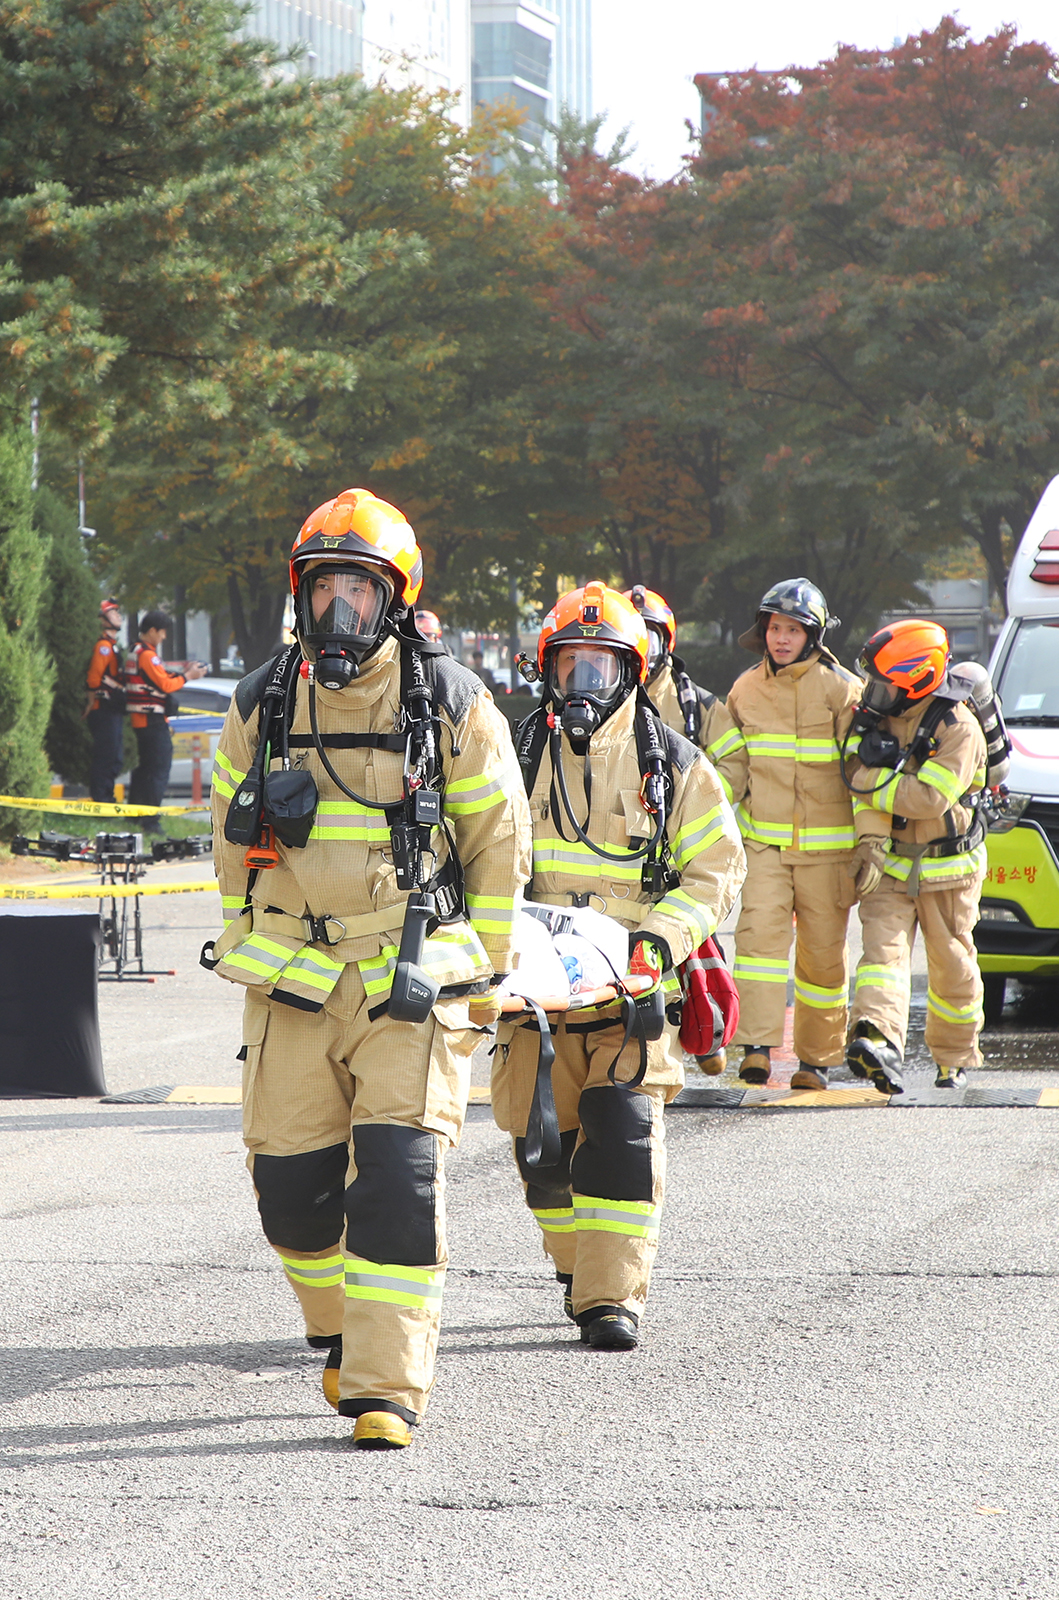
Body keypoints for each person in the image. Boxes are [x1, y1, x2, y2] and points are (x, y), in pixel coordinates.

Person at [207, 487, 523, 1450]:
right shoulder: (261, 703)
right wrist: (247, 947)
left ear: (393, 599)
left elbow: (499, 849)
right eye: (323, 588)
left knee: (397, 1181)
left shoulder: (452, 705)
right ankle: (342, 1327)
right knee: (290, 1197)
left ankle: (387, 1387)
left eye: (358, 589)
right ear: (299, 594)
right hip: (295, 984)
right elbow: (229, 844)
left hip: (406, 983)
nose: (337, 609)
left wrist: (483, 979)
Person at [496, 583, 743, 1348]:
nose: (584, 683)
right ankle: (577, 1270)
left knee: (623, 1142)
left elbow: (715, 872)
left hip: (629, 996)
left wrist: (657, 944)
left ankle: (611, 1300)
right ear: (547, 670)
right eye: (570, 666)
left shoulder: (674, 765)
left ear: (632, 671)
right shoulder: (512, 754)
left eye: (601, 666)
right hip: (534, 1002)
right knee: (544, 1158)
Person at [698, 578, 861, 1091]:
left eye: (793, 629)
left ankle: (816, 1060)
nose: (782, 639)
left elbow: (863, 775)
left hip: (829, 854)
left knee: (822, 957)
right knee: (758, 947)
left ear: (813, 635)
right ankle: (756, 1049)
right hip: (763, 847)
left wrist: (872, 843)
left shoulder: (842, 690)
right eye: (774, 629)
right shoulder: (745, 689)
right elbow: (734, 769)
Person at [843, 619, 988, 1092]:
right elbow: (850, 764)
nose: (873, 692)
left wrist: (868, 782)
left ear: (917, 681)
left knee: (951, 965)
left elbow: (929, 799)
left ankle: (954, 1059)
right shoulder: (878, 716)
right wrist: (871, 838)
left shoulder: (959, 728)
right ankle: (878, 1042)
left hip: (949, 869)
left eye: (883, 685)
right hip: (890, 864)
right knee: (881, 957)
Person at [125, 609, 204, 810]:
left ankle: (135, 813)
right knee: (157, 770)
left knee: (144, 770)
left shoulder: (135, 650)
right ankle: (150, 818)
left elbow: (159, 678)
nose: (164, 637)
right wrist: (189, 676)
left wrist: (184, 672)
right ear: (152, 630)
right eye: (162, 632)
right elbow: (165, 685)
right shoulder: (147, 655)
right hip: (152, 721)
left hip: (142, 719)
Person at [627, 585, 716, 746]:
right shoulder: (599, 702)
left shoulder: (700, 705)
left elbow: (733, 759)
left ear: (666, 644)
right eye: (634, 641)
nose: (642, 655)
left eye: (650, 643)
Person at [84, 598, 131, 804]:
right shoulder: (104, 646)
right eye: (113, 613)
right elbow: (94, 679)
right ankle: (101, 799)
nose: (118, 616)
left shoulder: (112, 646)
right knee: (106, 756)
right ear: (103, 619)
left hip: (112, 709)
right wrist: (90, 704)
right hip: (103, 708)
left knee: (114, 757)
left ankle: (107, 796)